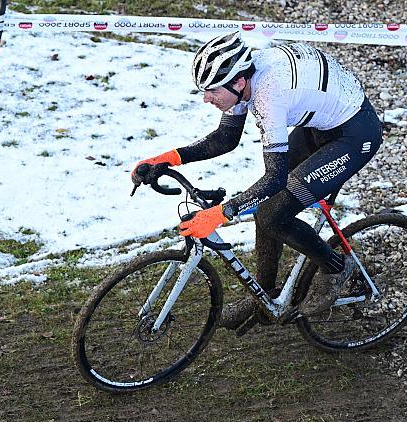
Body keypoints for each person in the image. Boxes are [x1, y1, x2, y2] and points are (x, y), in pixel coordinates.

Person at [131, 32, 383, 330]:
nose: (206, 98)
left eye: (211, 91)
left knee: (272, 213)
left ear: (238, 83)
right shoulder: (241, 79)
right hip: (320, 124)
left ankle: (337, 268)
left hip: (354, 136)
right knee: (265, 209)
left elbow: (275, 179)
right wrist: (167, 158)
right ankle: (263, 295)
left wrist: (221, 213)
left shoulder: (267, 96)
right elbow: (226, 138)